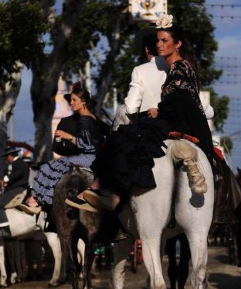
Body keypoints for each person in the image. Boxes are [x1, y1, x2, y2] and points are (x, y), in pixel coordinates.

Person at [69, 14, 215, 212]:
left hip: (176, 123)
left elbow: (181, 99)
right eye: (158, 41)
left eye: (165, 41)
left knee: (123, 138)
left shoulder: (180, 66)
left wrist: (158, 110)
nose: (160, 45)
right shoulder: (177, 67)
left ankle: (108, 191)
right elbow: (196, 103)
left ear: (178, 43)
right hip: (178, 120)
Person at [18, 82, 106, 214]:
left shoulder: (84, 120)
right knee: (54, 166)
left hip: (88, 157)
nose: (71, 103)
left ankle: (36, 201)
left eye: (74, 100)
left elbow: (89, 146)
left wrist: (67, 136)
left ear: (83, 102)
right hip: (94, 156)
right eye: (70, 100)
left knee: (50, 167)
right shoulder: (95, 120)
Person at [0, 147, 31, 236]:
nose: (6, 159)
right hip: (18, 187)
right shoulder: (19, 163)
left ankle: (5, 229)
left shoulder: (18, 163)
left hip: (17, 189)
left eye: (6, 157)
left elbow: (18, 173)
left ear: (10, 156)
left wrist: (6, 179)